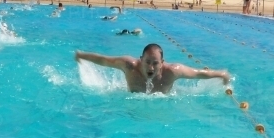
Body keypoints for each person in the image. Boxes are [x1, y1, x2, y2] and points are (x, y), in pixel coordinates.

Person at [74, 43, 230, 94]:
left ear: (162, 63)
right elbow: (104, 60)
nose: (151, 66)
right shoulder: (129, 66)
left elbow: (198, 73)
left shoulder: (172, 71)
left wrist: (220, 74)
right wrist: (82, 55)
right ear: (140, 60)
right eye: (147, 61)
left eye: (155, 63)